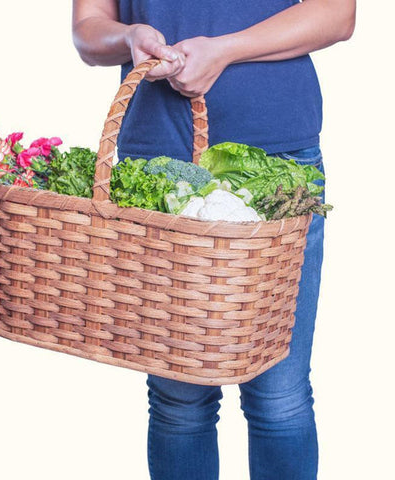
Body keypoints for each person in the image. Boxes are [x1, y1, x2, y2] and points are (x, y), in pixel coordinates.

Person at [71, 1, 356, 479]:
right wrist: (129, 38)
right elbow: (87, 31)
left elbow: (337, 15)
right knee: (178, 397)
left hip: (280, 162)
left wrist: (224, 51)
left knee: (278, 394)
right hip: (160, 165)